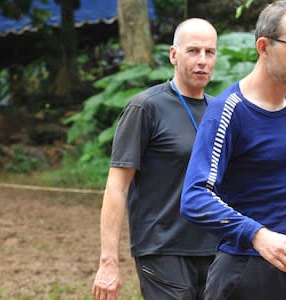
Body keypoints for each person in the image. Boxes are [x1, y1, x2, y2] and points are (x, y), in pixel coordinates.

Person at [180, 1, 286, 299]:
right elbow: (195, 197)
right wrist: (258, 236)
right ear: (263, 46)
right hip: (245, 273)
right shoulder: (229, 110)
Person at [91, 18, 219, 300]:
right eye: (193, 51)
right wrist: (108, 263)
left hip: (216, 251)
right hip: (162, 250)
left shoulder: (219, 111)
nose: (202, 60)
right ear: (174, 55)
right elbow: (116, 187)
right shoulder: (145, 108)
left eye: (209, 52)